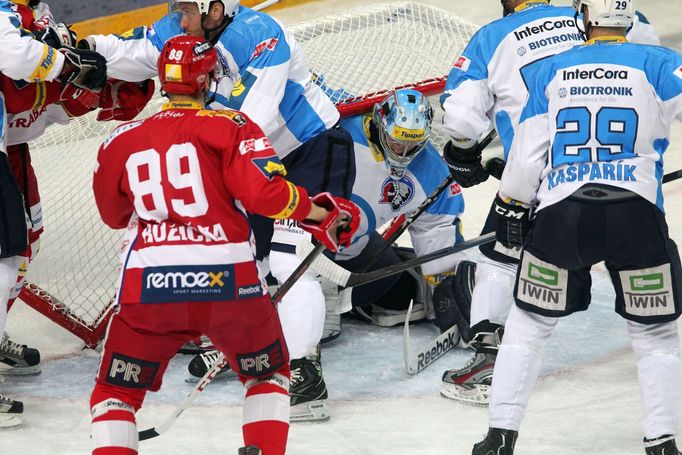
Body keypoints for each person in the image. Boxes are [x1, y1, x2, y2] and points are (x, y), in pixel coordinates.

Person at [88, 35, 359, 455]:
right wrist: (322, 215)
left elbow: (113, 215)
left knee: (114, 394)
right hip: (228, 282)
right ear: (208, 79)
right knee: (268, 375)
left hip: (149, 288)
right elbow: (266, 196)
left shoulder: (119, 139)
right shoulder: (231, 126)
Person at [472, 0, 682, 453]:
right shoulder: (663, 62)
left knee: (528, 325)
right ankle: (662, 442)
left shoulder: (554, 67)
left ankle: (499, 437)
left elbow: (528, 156)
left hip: (562, 215)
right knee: (655, 335)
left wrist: (511, 206)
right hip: (636, 216)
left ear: (584, 14)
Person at [78, 0, 355, 261]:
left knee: (299, 258)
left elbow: (253, 123)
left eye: (188, 13)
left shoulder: (258, 34)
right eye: (180, 12)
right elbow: (138, 49)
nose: (182, 23)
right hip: (253, 168)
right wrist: (81, 48)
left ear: (216, 11)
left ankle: (387, 297)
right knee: (255, 263)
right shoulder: (185, 28)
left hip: (308, 148)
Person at [438, 0, 585, 405]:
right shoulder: (581, 19)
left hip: (538, 173)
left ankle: (487, 358)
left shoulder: (491, 37)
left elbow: (462, 119)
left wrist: (463, 153)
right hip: (611, 170)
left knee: (497, 258)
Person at [0, 0, 107, 428]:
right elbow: (17, 57)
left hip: (10, 150)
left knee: (19, 251)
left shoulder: (31, 10)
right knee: (8, 258)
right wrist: (66, 66)